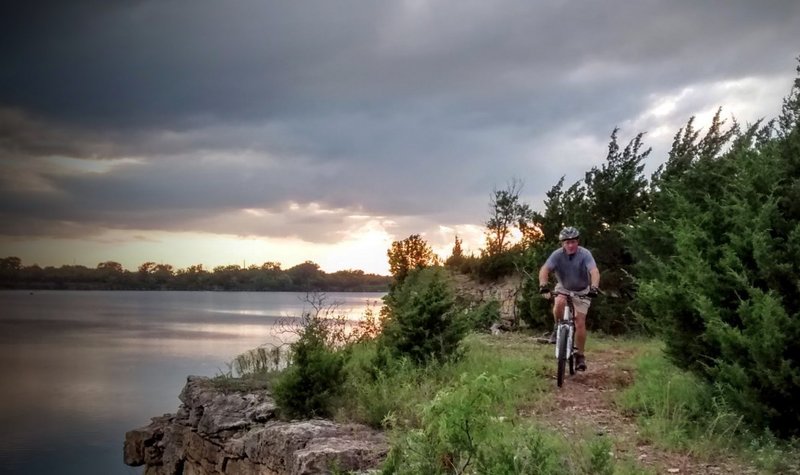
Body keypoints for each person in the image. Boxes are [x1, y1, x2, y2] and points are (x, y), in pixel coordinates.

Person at [538, 226, 600, 371]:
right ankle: (557, 327)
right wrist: (543, 285)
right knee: (559, 301)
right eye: (567, 242)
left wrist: (594, 287)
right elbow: (544, 269)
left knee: (580, 322)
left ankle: (580, 355)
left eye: (573, 242)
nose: (570, 245)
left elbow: (594, 271)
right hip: (564, 288)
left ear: (577, 242)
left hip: (582, 291)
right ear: (562, 243)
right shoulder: (557, 255)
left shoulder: (585, 254)